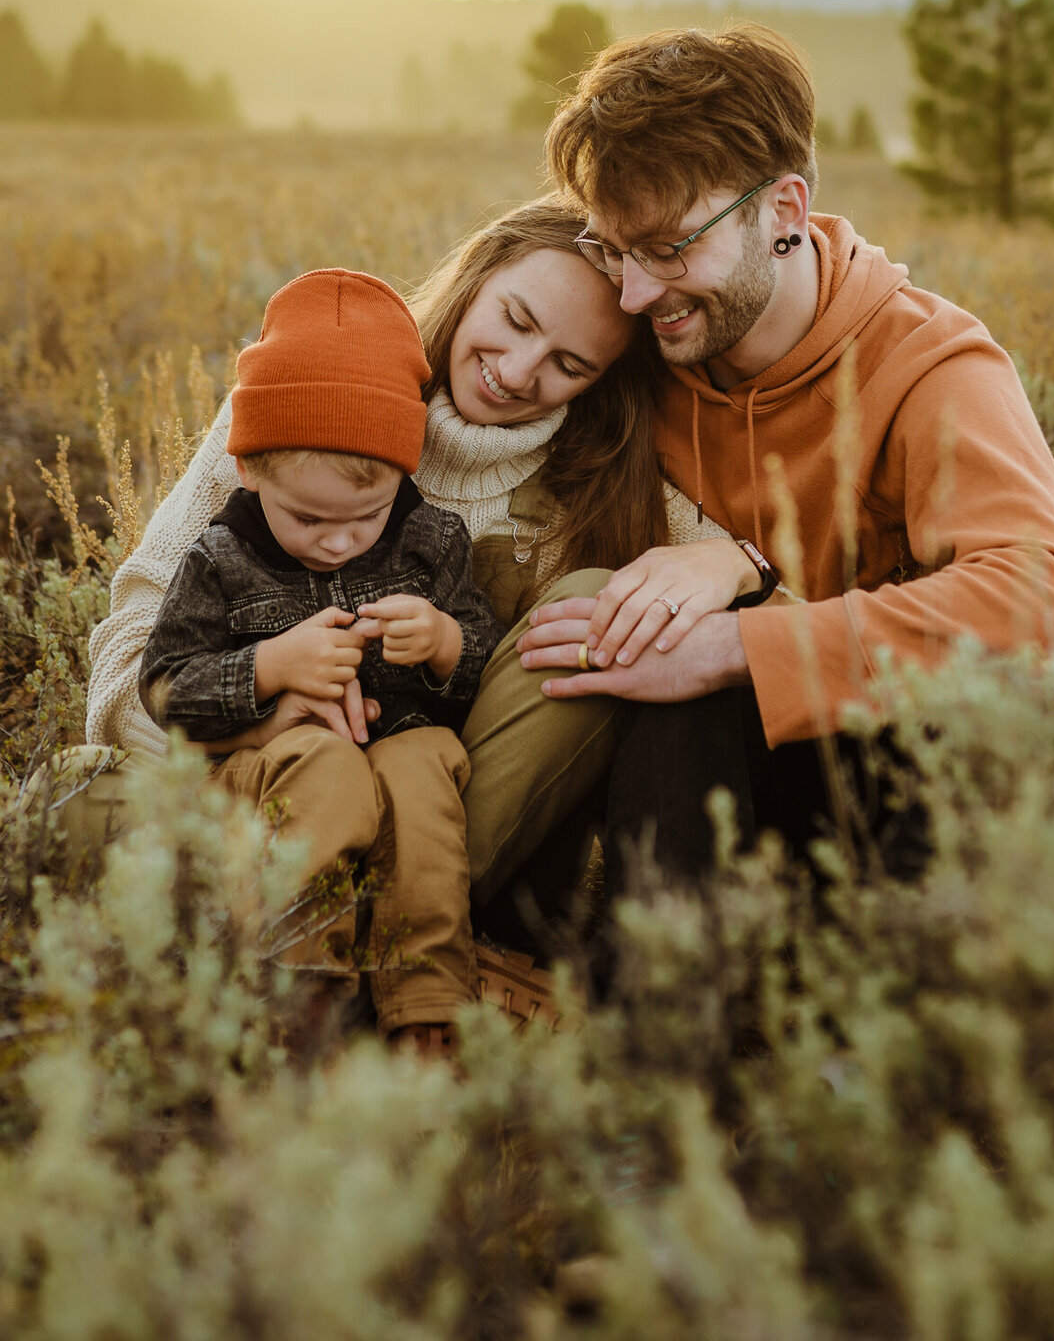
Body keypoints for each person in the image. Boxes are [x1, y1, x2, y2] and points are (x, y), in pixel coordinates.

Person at [84, 200, 736, 997]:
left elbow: (768, 576)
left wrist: (734, 565)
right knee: (78, 800)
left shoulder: (600, 489)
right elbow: (128, 659)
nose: (522, 370)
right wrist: (253, 719)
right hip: (249, 791)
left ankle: (375, 948)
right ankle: (323, 943)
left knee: (592, 609)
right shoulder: (290, 407)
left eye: (571, 365)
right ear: (474, 279)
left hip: (440, 823)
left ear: (603, 381)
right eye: (517, 318)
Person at [516, 23, 1054, 886]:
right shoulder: (626, 337)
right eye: (614, 249)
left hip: (869, 787)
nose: (635, 293)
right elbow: (459, 378)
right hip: (652, 783)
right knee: (659, 680)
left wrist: (739, 645)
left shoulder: (929, 364)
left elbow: (1048, 603)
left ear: (783, 212)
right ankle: (640, 1000)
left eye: (671, 249)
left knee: (700, 678)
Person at [138, 266, 504, 1051]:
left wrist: (443, 643)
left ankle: (428, 1003)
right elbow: (165, 689)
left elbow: (485, 668)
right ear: (248, 469)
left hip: (399, 750)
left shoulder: (432, 541)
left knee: (424, 767)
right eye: (309, 518)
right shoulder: (222, 557)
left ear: (404, 474)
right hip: (271, 771)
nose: (338, 540)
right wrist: (267, 669)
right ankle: (297, 998)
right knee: (328, 772)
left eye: (365, 518)